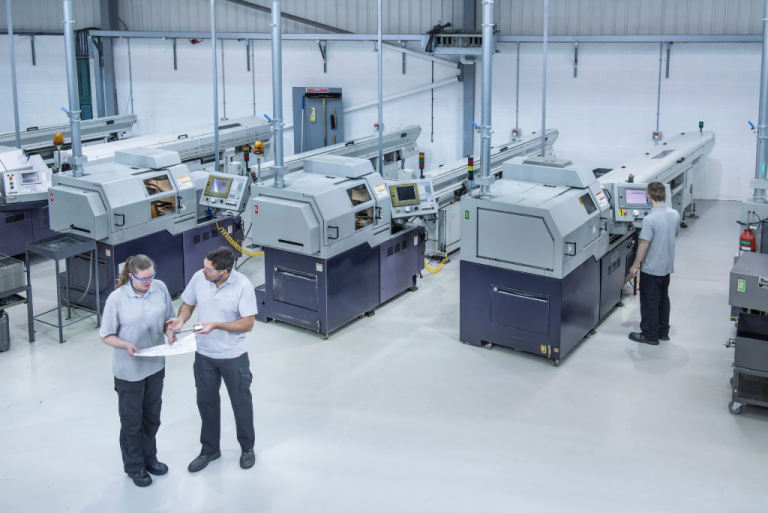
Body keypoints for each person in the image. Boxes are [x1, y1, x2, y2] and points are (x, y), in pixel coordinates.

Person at [167, 247, 258, 472]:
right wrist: (180, 320)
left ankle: (247, 448)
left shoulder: (243, 286)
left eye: (209, 270)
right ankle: (209, 450)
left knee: (241, 402)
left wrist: (217, 324)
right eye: (205, 266)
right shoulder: (200, 278)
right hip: (204, 355)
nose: (203, 272)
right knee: (206, 403)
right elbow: (188, 303)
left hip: (233, 356)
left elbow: (248, 323)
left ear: (225, 272)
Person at [99, 255, 176, 488]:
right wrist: (125, 345)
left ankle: (150, 459)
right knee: (132, 420)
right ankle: (134, 466)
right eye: (144, 279)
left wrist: (170, 333)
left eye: (152, 276)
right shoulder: (117, 299)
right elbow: (106, 335)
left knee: (152, 417)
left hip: (155, 365)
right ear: (131, 276)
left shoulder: (159, 288)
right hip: (129, 371)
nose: (149, 282)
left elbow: (167, 320)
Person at [628, 181, 680, 345]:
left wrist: (635, 265)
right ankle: (663, 332)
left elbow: (644, 244)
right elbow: (674, 234)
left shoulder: (650, 219)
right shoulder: (674, 214)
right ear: (665, 196)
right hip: (666, 267)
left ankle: (650, 335)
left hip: (652, 269)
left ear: (648, 197)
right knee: (663, 299)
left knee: (649, 302)